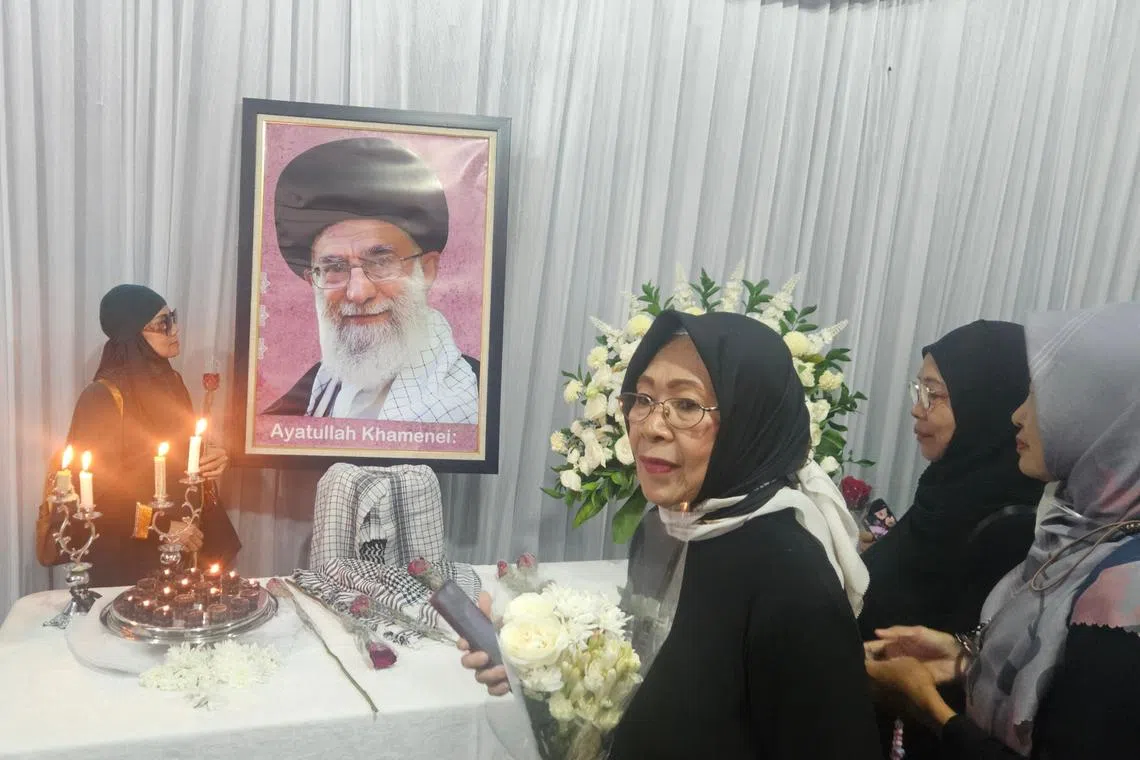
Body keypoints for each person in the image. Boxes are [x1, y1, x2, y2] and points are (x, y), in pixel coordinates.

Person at [461, 310, 882, 758]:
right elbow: (644, 674)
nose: (650, 426)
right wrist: (539, 667)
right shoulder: (665, 529)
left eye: (686, 405)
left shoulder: (791, 578)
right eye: (641, 399)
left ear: (751, 418)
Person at [865, 302, 1140, 758]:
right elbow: (1051, 682)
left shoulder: (1124, 594)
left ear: (1102, 415)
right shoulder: (1079, 532)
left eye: (1040, 396)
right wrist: (962, 659)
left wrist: (928, 705)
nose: (1018, 414)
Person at [857, 322, 1046, 757]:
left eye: (934, 394)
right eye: (917, 390)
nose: (917, 409)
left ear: (986, 402)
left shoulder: (1010, 522)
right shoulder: (946, 490)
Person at [264, 136, 479, 423]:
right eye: (335, 267)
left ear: (426, 270)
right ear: (313, 279)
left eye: (381, 262)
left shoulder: (473, 396)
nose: (358, 292)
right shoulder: (314, 389)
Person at [58, 284, 241, 586]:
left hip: (187, 547)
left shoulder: (172, 382)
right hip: (130, 560)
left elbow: (181, 457)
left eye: (173, 318)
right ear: (132, 333)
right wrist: (163, 524)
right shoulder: (102, 397)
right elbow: (92, 492)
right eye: (162, 323)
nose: (175, 329)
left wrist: (213, 459)